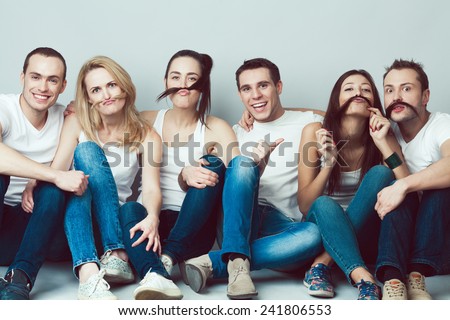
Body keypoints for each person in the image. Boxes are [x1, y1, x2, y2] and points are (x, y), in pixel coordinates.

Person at [122, 50, 275, 300]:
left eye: (192, 78)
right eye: (175, 77)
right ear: (165, 82)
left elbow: (236, 184)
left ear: (203, 85)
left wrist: (259, 162)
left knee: (214, 165)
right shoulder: (145, 120)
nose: (183, 84)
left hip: (194, 227)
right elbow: (104, 121)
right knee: (128, 211)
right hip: (151, 223)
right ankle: (158, 270)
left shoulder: (216, 128)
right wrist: (75, 109)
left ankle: (166, 260)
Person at [184, 58, 324, 298]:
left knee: (314, 235)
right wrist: (185, 173)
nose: (256, 95)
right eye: (247, 89)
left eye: (263, 86)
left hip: (282, 225)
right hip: (237, 218)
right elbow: (206, 176)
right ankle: (234, 259)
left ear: (278, 87)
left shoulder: (308, 122)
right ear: (240, 95)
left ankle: (222, 261)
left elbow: (342, 112)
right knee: (241, 163)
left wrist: (281, 110)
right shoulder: (234, 131)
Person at [38, 56, 162, 300]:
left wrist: (153, 218)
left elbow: (150, 189)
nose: (106, 94)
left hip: (115, 223)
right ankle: (88, 274)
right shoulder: (76, 123)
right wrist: (34, 180)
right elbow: (57, 172)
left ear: (124, 86)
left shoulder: (146, 135)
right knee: (81, 166)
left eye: (112, 85)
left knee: (85, 163)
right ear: (88, 98)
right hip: (76, 226)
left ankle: (115, 254)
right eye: (96, 89)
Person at [297, 69, 409, 300]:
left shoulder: (383, 135)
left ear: (374, 102)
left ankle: (321, 264)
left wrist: (383, 143)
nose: (358, 93)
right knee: (325, 204)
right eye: (349, 89)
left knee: (381, 172)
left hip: (365, 238)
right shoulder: (314, 132)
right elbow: (306, 206)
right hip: (322, 231)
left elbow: (405, 182)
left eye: (366, 89)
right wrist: (328, 163)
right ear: (336, 99)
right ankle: (365, 280)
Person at [0, 47, 88, 300]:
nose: (43, 87)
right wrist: (52, 174)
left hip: (40, 229)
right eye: (36, 77)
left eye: (53, 80)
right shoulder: (4, 108)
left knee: (52, 189)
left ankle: (20, 278)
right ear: (22, 78)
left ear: (63, 86)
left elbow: (120, 120)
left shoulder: (67, 117)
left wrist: (84, 109)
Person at [374, 59, 450, 300]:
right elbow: (337, 112)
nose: (397, 96)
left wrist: (404, 185)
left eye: (406, 88)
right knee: (392, 184)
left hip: (441, 245)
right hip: (401, 240)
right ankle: (393, 279)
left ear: (425, 96)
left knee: (437, 186)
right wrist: (384, 144)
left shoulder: (442, 124)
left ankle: (417, 276)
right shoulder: (386, 130)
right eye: (389, 90)